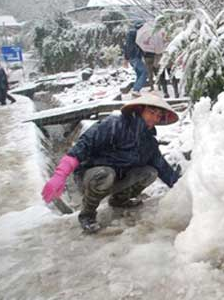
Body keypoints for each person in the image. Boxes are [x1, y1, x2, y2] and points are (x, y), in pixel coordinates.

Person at [41, 94, 180, 233]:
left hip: (118, 177)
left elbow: (163, 168)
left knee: (150, 172)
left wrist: (184, 188)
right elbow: (83, 146)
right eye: (151, 112)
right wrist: (60, 175)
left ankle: (119, 200)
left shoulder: (148, 142)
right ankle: (87, 214)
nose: (154, 118)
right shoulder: (114, 124)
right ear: (139, 110)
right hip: (92, 175)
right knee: (106, 174)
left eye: (159, 115)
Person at [123, 20, 148, 97]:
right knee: (144, 72)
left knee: (139, 73)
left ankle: (135, 90)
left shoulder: (130, 35)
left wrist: (126, 59)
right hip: (135, 57)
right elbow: (136, 46)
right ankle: (136, 90)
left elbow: (126, 47)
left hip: (132, 57)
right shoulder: (135, 33)